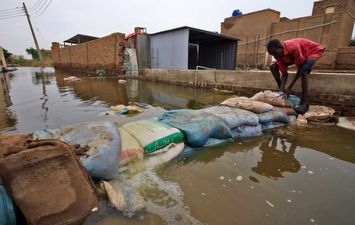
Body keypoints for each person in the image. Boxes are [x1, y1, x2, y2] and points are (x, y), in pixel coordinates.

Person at [267, 38, 324, 114]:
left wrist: (290, 87)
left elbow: (300, 69)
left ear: (281, 47)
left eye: (276, 53)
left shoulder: (293, 47)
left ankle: (305, 103)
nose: (275, 56)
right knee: (273, 66)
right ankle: (283, 92)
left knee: (304, 70)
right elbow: (284, 74)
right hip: (291, 57)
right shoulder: (279, 56)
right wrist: (281, 91)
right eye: (273, 55)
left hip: (312, 52)